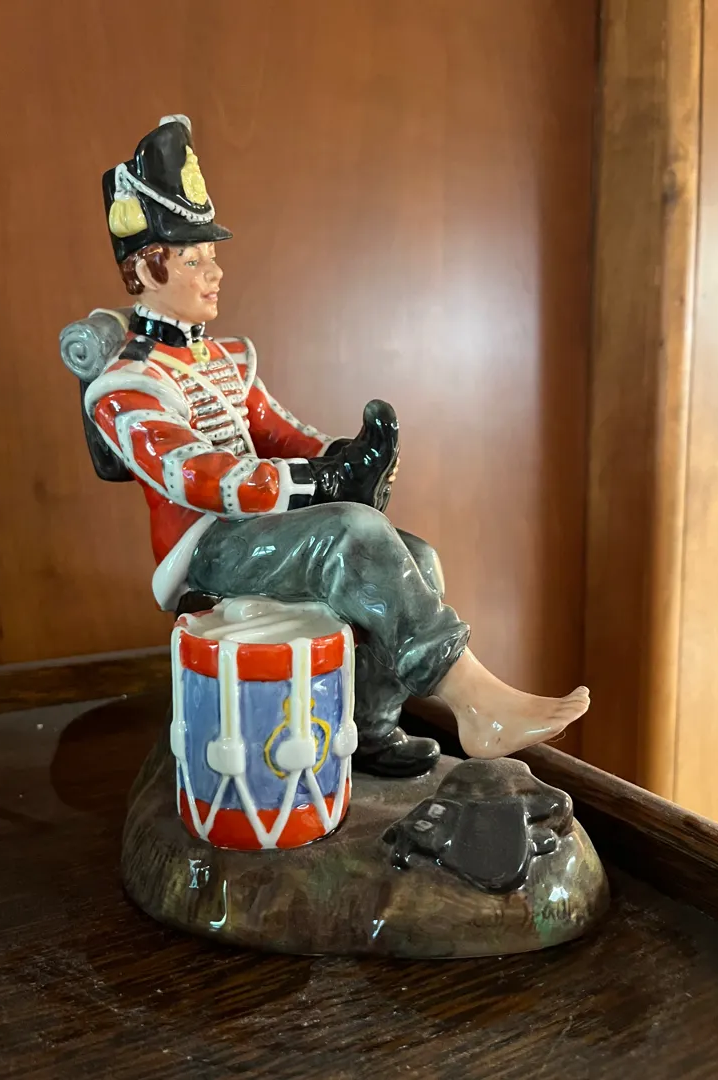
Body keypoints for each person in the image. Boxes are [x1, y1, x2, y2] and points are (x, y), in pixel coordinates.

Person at [79, 114, 590, 778]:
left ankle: (371, 727)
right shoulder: (126, 385)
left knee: (416, 557)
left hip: (261, 525)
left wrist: (348, 454)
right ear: (149, 269)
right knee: (352, 531)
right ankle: (476, 702)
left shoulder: (227, 359)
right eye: (195, 259)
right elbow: (199, 476)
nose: (216, 272)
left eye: (211, 255)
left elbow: (277, 430)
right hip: (206, 546)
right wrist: (320, 483)